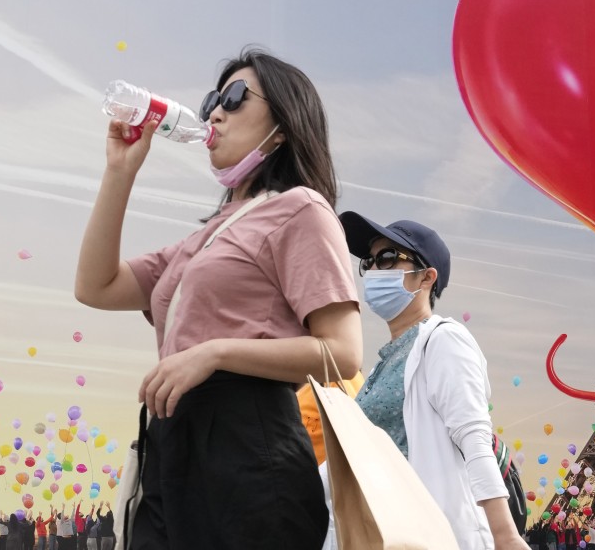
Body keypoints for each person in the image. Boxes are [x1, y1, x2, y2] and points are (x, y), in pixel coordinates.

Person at [74, 48, 362, 549]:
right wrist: (120, 171)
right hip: (171, 446)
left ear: (286, 124)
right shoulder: (201, 240)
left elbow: (342, 353)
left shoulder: (301, 210)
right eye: (213, 100)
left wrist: (215, 353)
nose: (214, 113)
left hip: (249, 446)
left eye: (234, 98)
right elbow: (95, 287)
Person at [337, 212, 529, 550]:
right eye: (369, 262)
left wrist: (505, 536)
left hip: (428, 533)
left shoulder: (444, 340)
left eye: (386, 258)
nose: (374, 270)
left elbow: (473, 436)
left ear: (427, 278)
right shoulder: (384, 364)